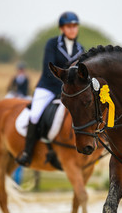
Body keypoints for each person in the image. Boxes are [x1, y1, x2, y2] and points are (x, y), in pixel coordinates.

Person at [16, 11, 84, 166]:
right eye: (69, 26)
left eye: (75, 26)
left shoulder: (80, 49)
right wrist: (64, 87)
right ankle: (27, 152)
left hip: (68, 90)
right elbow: (49, 70)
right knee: (35, 114)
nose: (73, 29)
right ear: (62, 28)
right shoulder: (52, 44)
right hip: (47, 87)